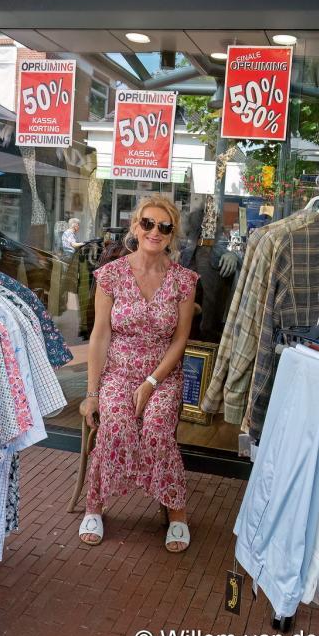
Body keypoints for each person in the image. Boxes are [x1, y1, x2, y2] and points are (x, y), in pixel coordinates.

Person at [78, 195, 199, 552]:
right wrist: (92, 393)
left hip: (162, 375)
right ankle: (94, 505)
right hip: (117, 372)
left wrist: (151, 382)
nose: (154, 231)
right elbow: (100, 335)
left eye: (164, 227)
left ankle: (177, 512)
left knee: (158, 429)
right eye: (147, 223)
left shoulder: (184, 281)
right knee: (115, 424)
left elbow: (180, 340)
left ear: (172, 234)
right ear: (135, 226)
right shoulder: (111, 275)